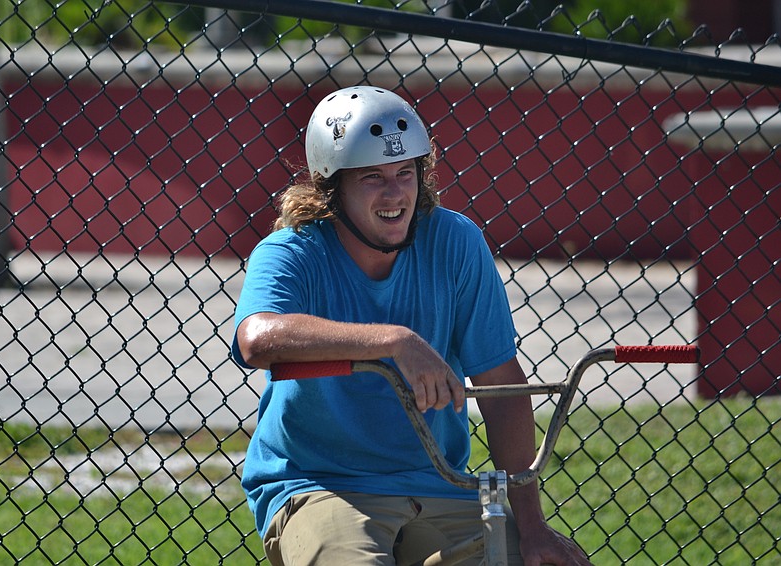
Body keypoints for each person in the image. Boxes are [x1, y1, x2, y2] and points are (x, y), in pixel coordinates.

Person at [232, 85, 591, 566]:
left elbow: (502, 384)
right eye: (372, 177)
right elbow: (256, 339)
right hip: (320, 484)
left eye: (406, 172)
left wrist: (531, 526)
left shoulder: (455, 242)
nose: (395, 192)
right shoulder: (292, 252)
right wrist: (392, 341)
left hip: (440, 484)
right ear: (331, 187)